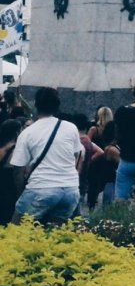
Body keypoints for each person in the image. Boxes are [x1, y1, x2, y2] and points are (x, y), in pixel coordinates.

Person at [10, 88, 83, 224]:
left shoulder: (27, 133)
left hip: (40, 188)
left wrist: (20, 195)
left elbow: (18, 171)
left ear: (36, 104)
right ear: (57, 105)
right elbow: (77, 155)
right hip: (70, 190)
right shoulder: (71, 128)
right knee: (55, 231)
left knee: (17, 227)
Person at [0, 119, 22, 224]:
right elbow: (18, 175)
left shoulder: (2, 146)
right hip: (9, 189)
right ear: (17, 132)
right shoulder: (16, 149)